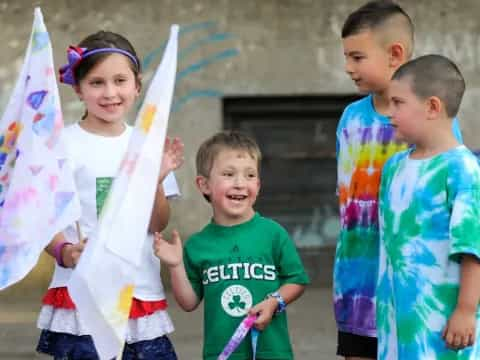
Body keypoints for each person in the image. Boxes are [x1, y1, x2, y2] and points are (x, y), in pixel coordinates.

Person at [36, 31, 184, 359]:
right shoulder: (61, 146)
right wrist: (64, 251)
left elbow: (156, 223)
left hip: (139, 291)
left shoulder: (148, 146)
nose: (110, 93)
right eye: (97, 82)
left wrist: (156, 180)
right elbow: (45, 217)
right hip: (82, 294)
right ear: (78, 87)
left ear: (137, 85)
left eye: (120, 80)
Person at [334, 1, 463, 359]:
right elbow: (344, 195)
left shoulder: (433, 120)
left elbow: (456, 204)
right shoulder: (349, 118)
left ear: (395, 54)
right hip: (356, 279)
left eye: (357, 58)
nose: (348, 68)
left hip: (415, 287)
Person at [154, 130, 309, 359]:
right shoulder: (198, 245)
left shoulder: (273, 234)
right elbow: (188, 302)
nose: (239, 183)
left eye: (249, 175)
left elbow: (297, 280)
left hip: (272, 352)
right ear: (204, 184)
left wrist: (275, 302)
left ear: (258, 184)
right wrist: (176, 266)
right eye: (228, 174)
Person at [377, 54, 480, 359]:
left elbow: (473, 248)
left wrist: (465, 310)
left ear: (432, 107)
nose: (389, 112)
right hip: (395, 320)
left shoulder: (462, 170)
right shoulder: (393, 167)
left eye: (398, 103)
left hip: (443, 324)